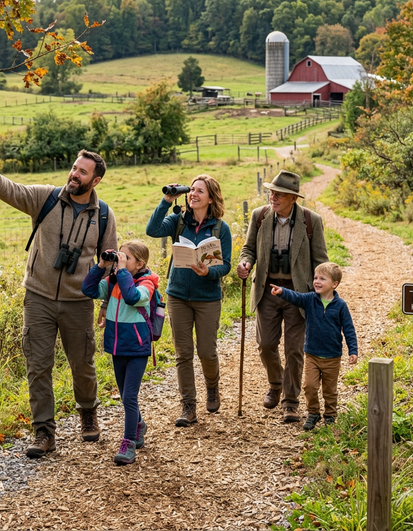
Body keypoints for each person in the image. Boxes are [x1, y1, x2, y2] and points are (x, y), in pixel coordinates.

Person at [0, 150, 117, 458]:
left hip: (79, 301)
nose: (74, 174)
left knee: (83, 363)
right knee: (38, 366)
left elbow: (110, 261)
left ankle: (88, 413)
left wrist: (105, 303)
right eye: (74, 168)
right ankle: (44, 433)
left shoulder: (103, 214)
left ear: (96, 179)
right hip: (37, 297)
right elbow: (12, 190)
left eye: (82, 172)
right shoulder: (46, 199)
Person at [237, 170, 328, 423]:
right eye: (271, 192)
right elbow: (249, 249)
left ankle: (290, 400)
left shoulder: (311, 221)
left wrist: (323, 294)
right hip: (266, 289)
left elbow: (321, 260)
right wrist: (245, 263)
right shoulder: (260, 216)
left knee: (294, 349)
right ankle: (276, 383)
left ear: (293, 198)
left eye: (279, 194)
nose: (272, 197)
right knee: (266, 345)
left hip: (298, 293)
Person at [146, 175, 232, 427]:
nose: (193, 194)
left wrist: (209, 272)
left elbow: (225, 265)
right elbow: (152, 230)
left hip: (208, 298)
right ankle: (188, 406)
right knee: (183, 354)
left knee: (206, 352)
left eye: (199, 191)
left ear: (211, 198)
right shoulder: (177, 221)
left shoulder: (220, 228)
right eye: (191, 190)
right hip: (178, 296)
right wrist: (166, 201)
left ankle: (212, 387)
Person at [81, 240, 159, 465]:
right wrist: (101, 265)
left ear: (140, 263)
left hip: (137, 348)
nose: (120, 262)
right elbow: (88, 289)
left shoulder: (147, 283)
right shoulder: (114, 280)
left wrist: (121, 271)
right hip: (118, 346)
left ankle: (128, 443)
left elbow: (132, 297)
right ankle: (139, 425)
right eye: (119, 257)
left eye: (126, 258)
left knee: (129, 397)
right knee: (125, 394)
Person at [270, 262, 358, 430]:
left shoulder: (341, 306)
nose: (317, 281)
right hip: (312, 355)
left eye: (322, 279)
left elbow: (349, 329)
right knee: (309, 386)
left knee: (329, 390)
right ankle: (313, 413)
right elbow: (296, 297)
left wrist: (353, 350)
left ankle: (330, 415)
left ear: (334, 284)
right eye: (315, 278)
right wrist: (282, 292)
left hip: (332, 357)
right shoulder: (310, 300)